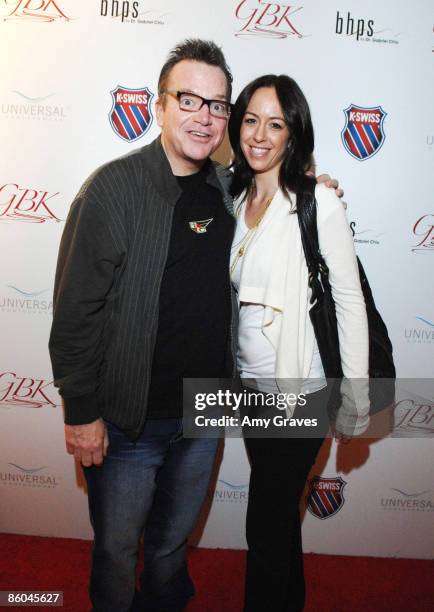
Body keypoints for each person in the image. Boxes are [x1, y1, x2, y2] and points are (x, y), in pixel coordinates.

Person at [49, 38, 341, 611]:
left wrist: (313, 189)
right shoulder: (111, 190)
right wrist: (80, 412)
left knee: (168, 552)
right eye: (189, 100)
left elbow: (277, 202)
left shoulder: (228, 189)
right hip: (127, 420)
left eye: (217, 105)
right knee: (116, 552)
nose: (204, 117)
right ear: (159, 105)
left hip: (203, 417)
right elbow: (75, 312)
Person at [228, 75, 369, 611]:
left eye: (276, 123)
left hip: (301, 392)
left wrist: (356, 398)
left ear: (294, 133)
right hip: (250, 390)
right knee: (279, 519)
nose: (260, 135)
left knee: (263, 523)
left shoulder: (317, 203)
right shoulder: (232, 195)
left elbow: (349, 302)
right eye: (250, 120)